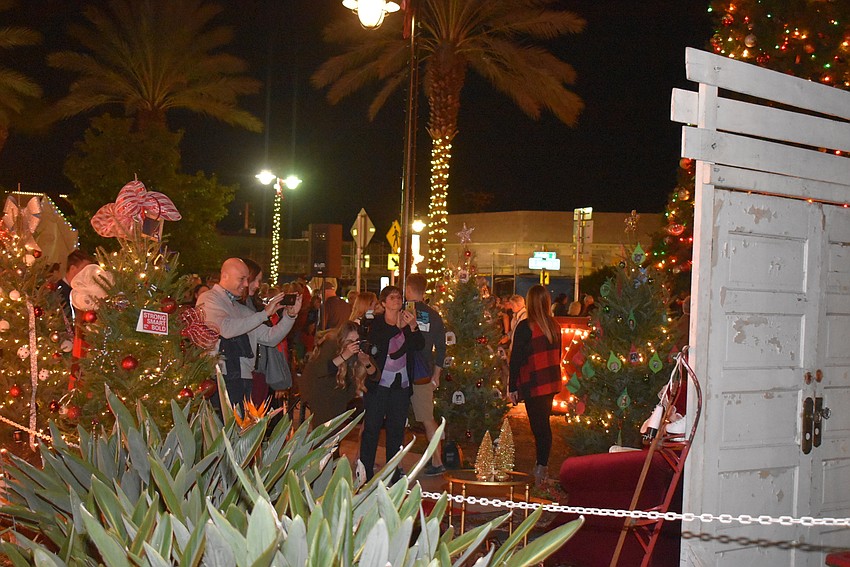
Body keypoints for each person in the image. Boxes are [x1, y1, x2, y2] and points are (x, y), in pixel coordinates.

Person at [196, 258, 301, 409]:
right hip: (221, 378)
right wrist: (263, 314)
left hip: (244, 377)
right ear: (225, 276)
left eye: (247, 279)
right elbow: (226, 329)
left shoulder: (240, 308)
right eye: (242, 279)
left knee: (240, 427)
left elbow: (270, 337)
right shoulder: (209, 299)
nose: (246, 284)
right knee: (225, 427)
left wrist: (290, 316)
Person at [360, 285, 424, 482]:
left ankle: (393, 471)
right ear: (384, 303)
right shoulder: (377, 323)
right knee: (372, 428)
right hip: (379, 383)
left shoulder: (407, 320)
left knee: (396, 430)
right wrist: (399, 329)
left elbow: (419, 345)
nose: (397, 300)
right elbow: (377, 344)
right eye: (392, 298)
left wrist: (413, 327)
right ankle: (366, 470)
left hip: (401, 384)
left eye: (399, 297)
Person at [508, 284, 562, 488]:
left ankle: (541, 468)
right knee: (543, 424)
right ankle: (543, 465)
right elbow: (557, 354)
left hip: (534, 382)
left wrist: (512, 386)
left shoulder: (526, 326)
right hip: (550, 380)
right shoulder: (554, 325)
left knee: (539, 426)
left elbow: (516, 359)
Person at [405, 273, 447, 476]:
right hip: (424, 372)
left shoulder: (403, 313)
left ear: (408, 289)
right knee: (428, 418)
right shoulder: (434, 315)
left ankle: (395, 464)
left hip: (402, 370)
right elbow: (441, 347)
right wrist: (436, 374)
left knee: (397, 419)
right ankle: (437, 461)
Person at [297, 320, 374, 428]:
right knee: (323, 431)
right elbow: (322, 370)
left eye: (356, 341)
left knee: (336, 432)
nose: (352, 344)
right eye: (349, 340)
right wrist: (345, 355)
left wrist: (366, 362)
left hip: (340, 393)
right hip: (320, 390)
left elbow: (375, 375)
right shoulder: (331, 343)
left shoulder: (360, 348)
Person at [55, 249, 93, 321]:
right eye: (84, 270)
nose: (88, 274)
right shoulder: (58, 293)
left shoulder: (84, 292)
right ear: (72, 269)